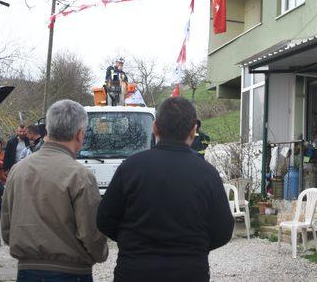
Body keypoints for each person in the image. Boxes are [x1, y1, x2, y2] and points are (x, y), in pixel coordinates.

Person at [97, 97, 234, 282]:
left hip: (134, 271)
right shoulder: (207, 174)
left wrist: (131, 242)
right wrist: (193, 248)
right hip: (189, 272)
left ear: (154, 127)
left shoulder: (130, 167)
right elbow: (223, 230)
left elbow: (105, 219)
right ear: (194, 131)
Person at [1, 100, 108, 282]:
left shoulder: (17, 170)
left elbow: (6, 228)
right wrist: (100, 254)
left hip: (27, 271)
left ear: (47, 130)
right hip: (72, 273)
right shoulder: (80, 176)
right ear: (80, 134)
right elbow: (91, 233)